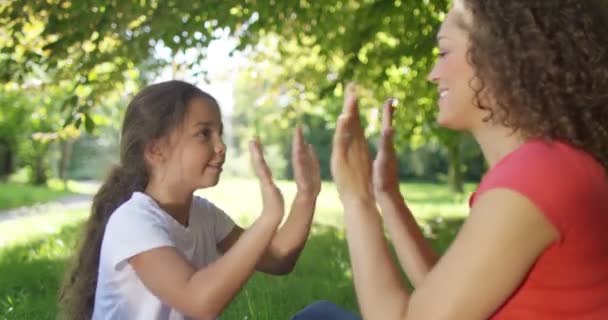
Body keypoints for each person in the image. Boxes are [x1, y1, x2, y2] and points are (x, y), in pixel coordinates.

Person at [330, 0, 608, 319]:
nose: (433, 75)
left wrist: (357, 199)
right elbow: (452, 298)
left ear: (501, 56)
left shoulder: (535, 178)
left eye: (444, 53)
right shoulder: (550, 166)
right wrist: (387, 195)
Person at [59, 80, 322, 319]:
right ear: (155, 149)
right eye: (204, 134)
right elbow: (198, 301)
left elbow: (278, 259)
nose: (221, 146)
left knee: (320, 315)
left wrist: (306, 195)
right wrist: (267, 219)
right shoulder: (133, 221)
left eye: (219, 133)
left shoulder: (204, 215)